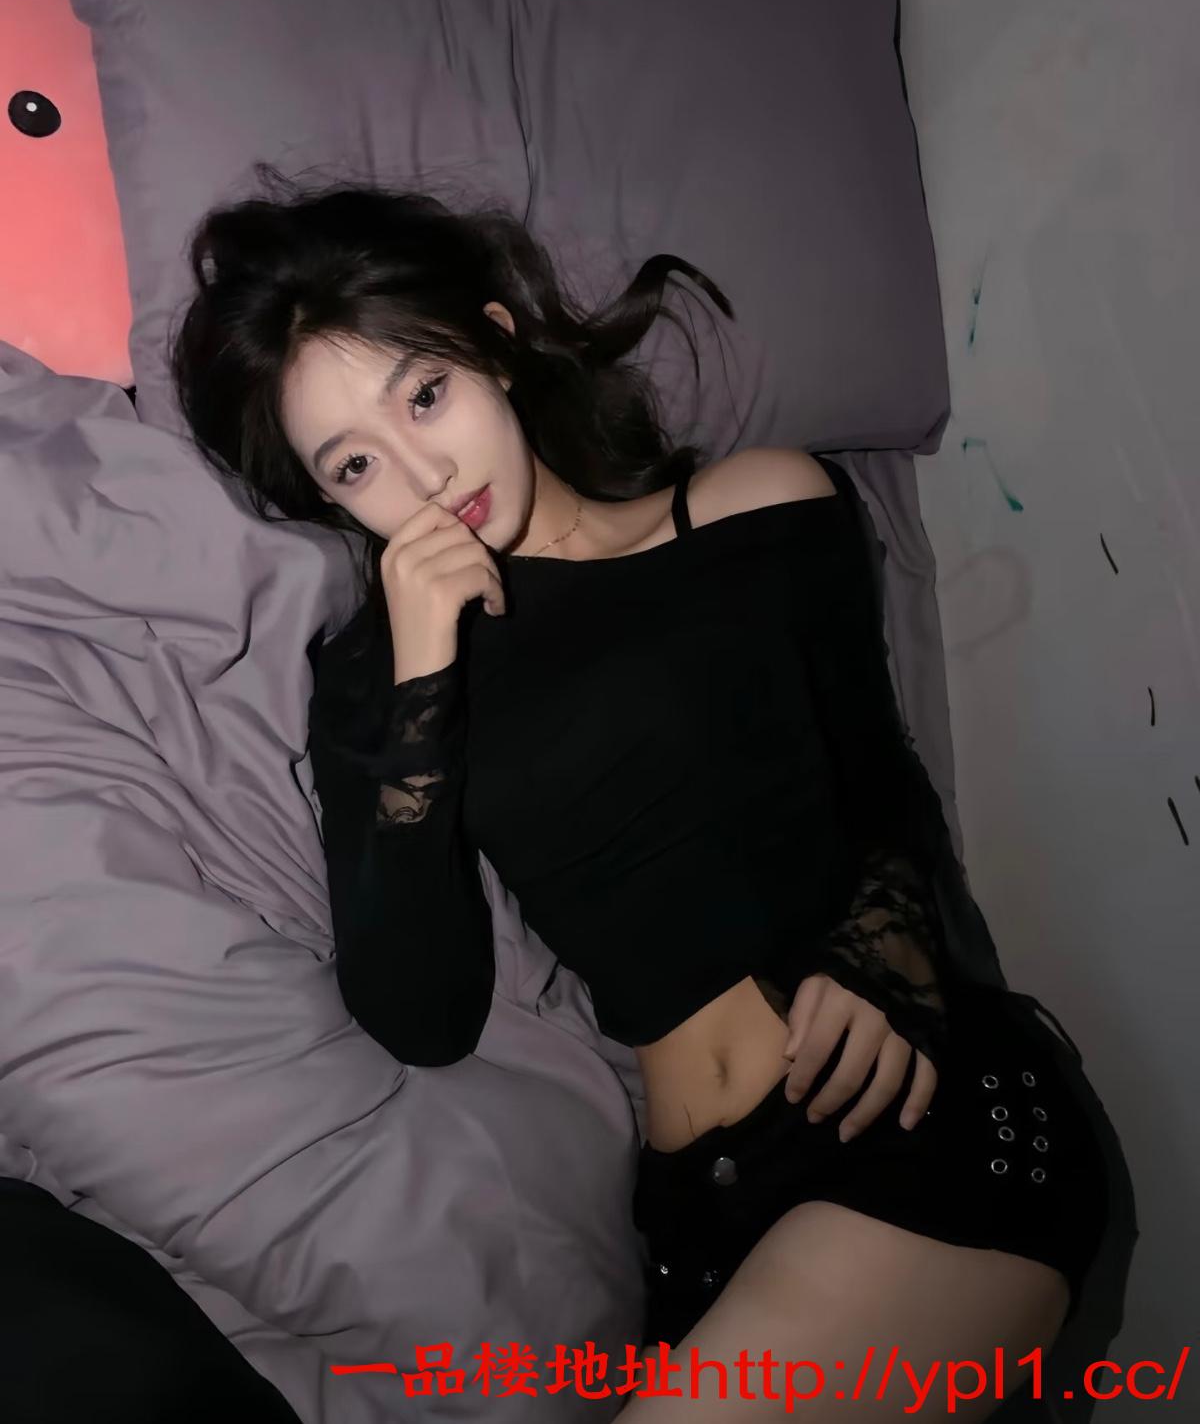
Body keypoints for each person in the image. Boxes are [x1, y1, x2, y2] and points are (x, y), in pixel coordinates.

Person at [170, 166, 1111, 1421]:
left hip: (913, 1118)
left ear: (495, 343)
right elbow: (422, 1013)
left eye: (426, 394)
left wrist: (884, 964)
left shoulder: (757, 503)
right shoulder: (378, 687)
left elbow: (879, 782)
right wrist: (421, 680)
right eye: (353, 463)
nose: (421, 472)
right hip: (697, 1217)